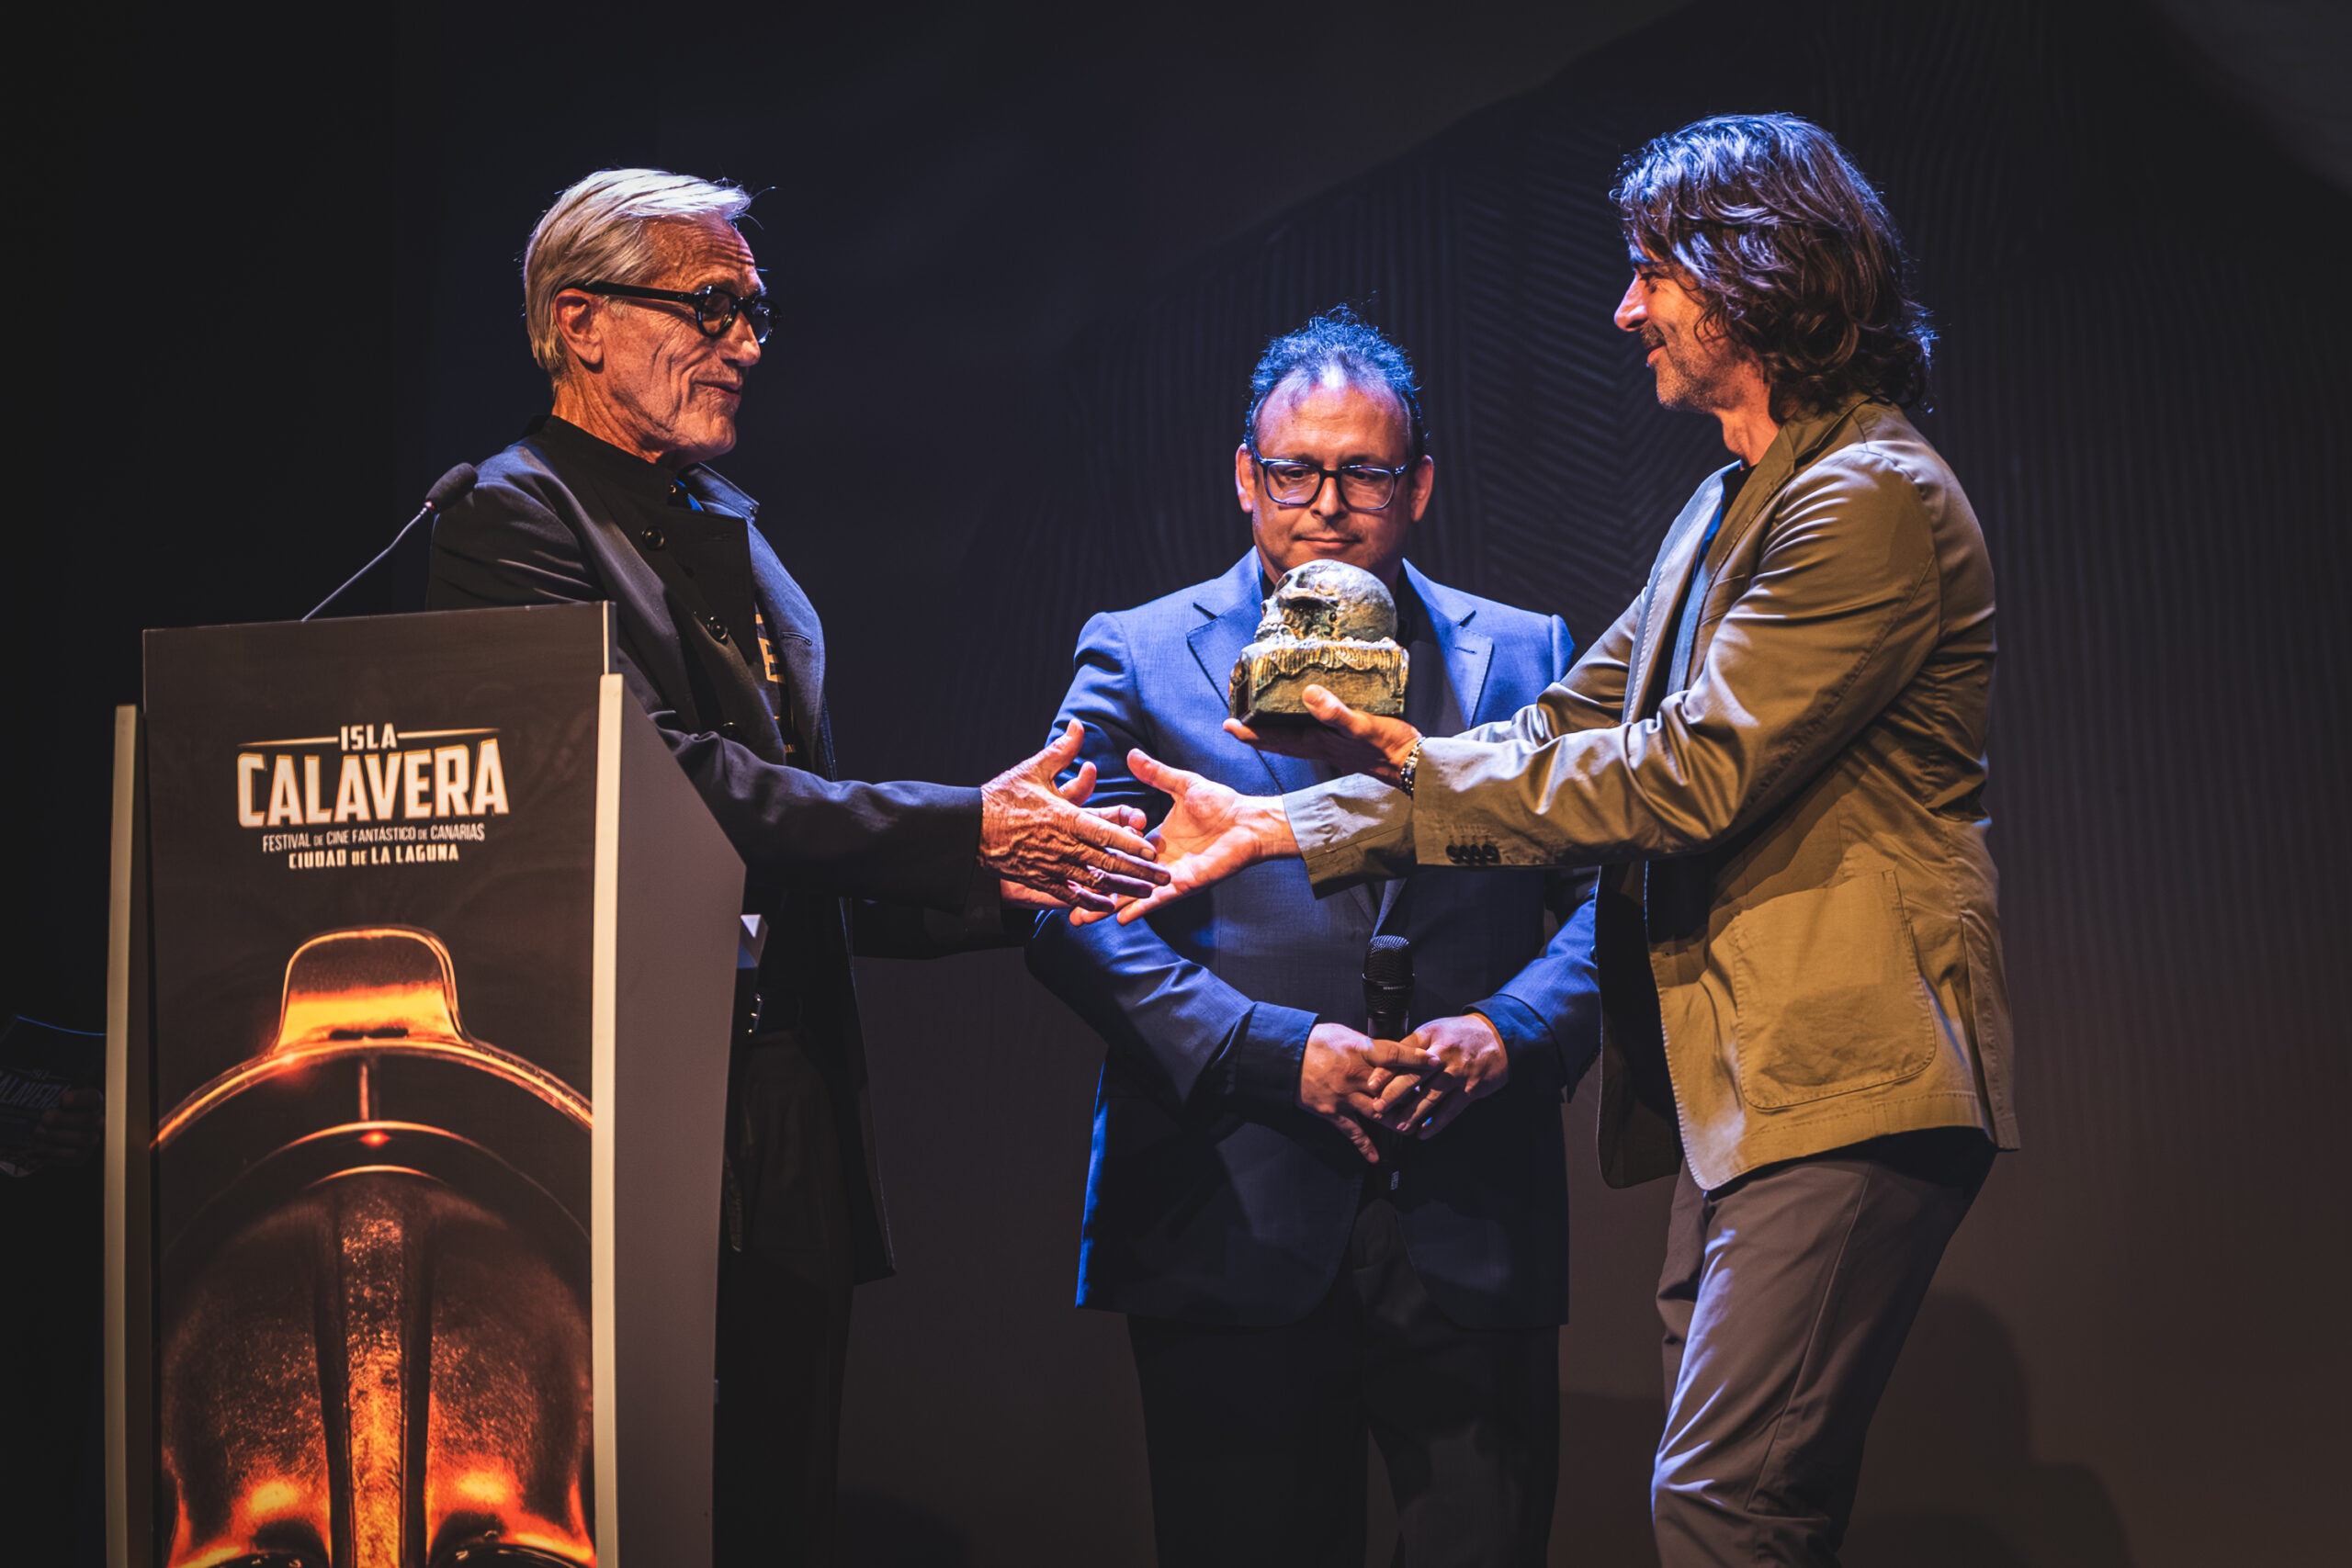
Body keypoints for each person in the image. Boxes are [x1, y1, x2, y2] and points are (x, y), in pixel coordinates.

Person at [1094, 116, 2016, 1565]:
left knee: (1726, 1506)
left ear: (1751, 275)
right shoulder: (1729, 501)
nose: (1626, 306)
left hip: (1840, 1075)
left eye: (1652, 271)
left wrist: (1375, 786)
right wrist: (1281, 821)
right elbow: (1562, 730)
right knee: (1731, 1502)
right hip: (1742, 1093)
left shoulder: (1864, 498)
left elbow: (1685, 774)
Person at [424, 167, 1165, 1566]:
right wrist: (962, 824)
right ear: (580, 322)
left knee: (773, 1509)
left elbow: (788, 842)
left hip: (783, 1120)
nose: (749, 344)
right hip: (614, 1122)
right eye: (712, 307)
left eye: (757, 312)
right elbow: (668, 789)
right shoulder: (508, 525)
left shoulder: (728, 532)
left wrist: (1017, 880)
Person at [1026, 309, 1600, 1567]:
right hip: (1229, 1203)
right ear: (1246, 475)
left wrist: (1509, 1033)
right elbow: (1067, 904)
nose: (1326, 504)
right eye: (1295, 471)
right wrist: (1273, 1051)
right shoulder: (1139, 653)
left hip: (1470, 1204)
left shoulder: (1525, 656)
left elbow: (1616, 900)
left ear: (1421, 484)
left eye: (1364, 473)